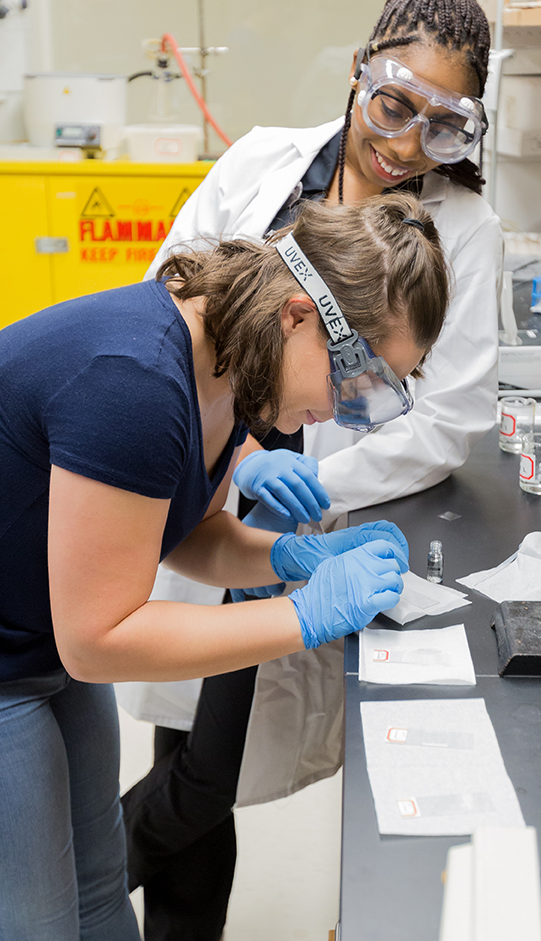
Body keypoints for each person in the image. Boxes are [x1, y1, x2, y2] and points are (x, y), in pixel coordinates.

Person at [119, 0, 502, 940]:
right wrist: (238, 461)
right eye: (390, 104)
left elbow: (448, 417)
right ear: (358, 73)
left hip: (315, 522)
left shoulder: (466, 229)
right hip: (204, 495)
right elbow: (164, 305)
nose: (405, 144)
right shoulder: (260, 164)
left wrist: (311, 483)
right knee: (190, 782)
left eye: (441, 128)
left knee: (241, 771)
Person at [0, 191, 450, 941]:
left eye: (376, 394)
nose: (345, 410)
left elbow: (187, 532)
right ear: (299, 314)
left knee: (102, 895)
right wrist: (301, 615)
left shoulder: (232, 367)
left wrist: (292, 553)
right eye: (356, 376)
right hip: (27, 654)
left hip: (40, 643)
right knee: (39, 923)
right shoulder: (137, 380)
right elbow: (99, 638)